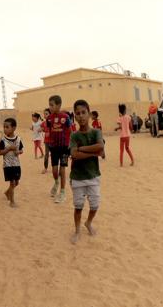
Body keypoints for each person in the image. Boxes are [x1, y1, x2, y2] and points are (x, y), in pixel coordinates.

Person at [69, 99, 104, 244]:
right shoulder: (74, 136)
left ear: (89, 114)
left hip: (93, 175)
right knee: (78, 206)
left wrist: (81, 149)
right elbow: (74, 155)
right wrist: (93, 153)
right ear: (75, 117)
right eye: (78, 113)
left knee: (95, 205)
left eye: (84, 112)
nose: (81, 116)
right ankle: (77, 230)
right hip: (77, 177)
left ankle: (88, 223)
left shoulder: (96, 132)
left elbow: (100, 147)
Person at [47, 95, 72, 203]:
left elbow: (70, 130)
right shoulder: (49, 118)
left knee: (62, 169)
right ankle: (56, 182)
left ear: (59, 105)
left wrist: (71, 144)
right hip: (54, 147)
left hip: (64, 148)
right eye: (49, 105)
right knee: (54, 170)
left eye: (52, 105)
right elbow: (49, 131)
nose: (50, 107)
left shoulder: (65, 117)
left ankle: (62, 192)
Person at [0, 118, 24, 208]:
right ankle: (12, 202)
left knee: (16, 182)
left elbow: (21, 150)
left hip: (17, 164)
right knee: (12, 183)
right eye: (4, 127)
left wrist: (18, 152)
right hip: (8, 165)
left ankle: (7, 192)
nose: (5, 129)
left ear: (14, 128)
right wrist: (9, 148)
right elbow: (0, 152)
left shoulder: (18, 139)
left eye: (7, 127)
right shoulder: (3, 140)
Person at [41, 108, 51, 174]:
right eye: (44, 114)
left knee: (55, 155)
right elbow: (43, 129)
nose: (45, 115)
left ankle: (55, 168)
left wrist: (50, 132)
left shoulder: (53, 122)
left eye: (46, 114)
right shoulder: (43, 123)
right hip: (47, 141)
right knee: (46, 154)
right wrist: (43, 130)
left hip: (54, 142)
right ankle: (45, 168)